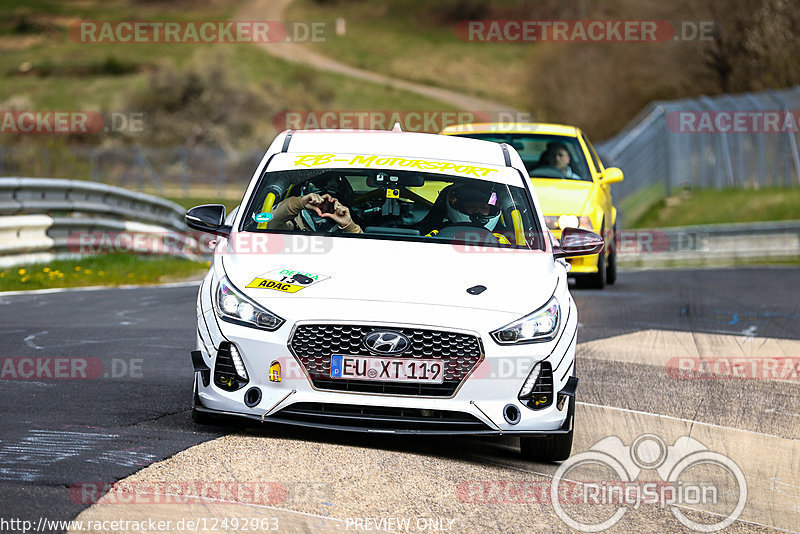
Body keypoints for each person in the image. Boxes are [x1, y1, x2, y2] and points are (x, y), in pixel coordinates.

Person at [269, 177, 363, 233]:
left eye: (331, 201)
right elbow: (268, 224)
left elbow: (363, 249)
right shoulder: (296, 222)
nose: (325, 205)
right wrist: (299, 203)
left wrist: (348, 225)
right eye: (321, 198)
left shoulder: (348, 221)